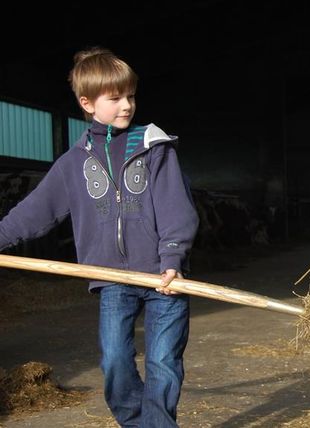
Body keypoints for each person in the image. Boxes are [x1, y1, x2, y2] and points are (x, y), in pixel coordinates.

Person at [0, 47, 199, 427]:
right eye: (116, 98)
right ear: (87, 103)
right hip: (112, 280)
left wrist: (173, 261)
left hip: (165, 280)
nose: (127, 105)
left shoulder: (154, 148)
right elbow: (34, 211)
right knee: (114, 361)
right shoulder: (73, 162)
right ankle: (140, 422)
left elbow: (176, 209)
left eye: (131, 95)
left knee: (163, 363)